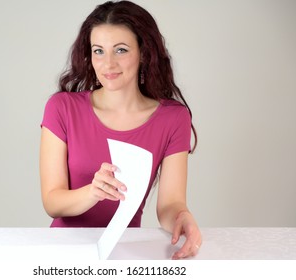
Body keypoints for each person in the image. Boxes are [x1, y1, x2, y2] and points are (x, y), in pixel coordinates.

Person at [39, 0, 202, 259]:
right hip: (62, 252)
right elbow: (52, 201)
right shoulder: (62, 108)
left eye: (121, 50)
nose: (108, 64)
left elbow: (170, 204)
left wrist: (183, 218)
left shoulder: (173, 118)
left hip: (123, 254)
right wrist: (93, 192)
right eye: (99, 51)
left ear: (144, 53)